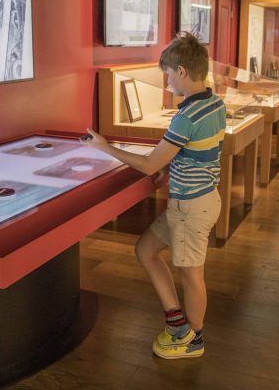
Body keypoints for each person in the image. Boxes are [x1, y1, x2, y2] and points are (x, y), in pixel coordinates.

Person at [82, 33, 226, 360]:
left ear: (183, 72)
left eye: (168, 74)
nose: (167, 81)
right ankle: (178, 323)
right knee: (146, 249)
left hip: (192, 207)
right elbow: (194, 150)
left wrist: (104, 147)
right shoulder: (214, 102)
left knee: (192, 275)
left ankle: (194, 340)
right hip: (193, 202)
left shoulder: (186, 116)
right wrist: (170, 168)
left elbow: (148, 164)